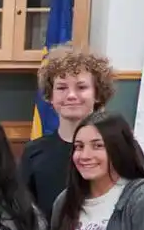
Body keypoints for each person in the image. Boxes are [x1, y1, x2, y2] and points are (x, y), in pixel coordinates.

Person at [20, 46, 115, 217]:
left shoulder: (117, 149)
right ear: (50, 96)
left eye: (81, 87)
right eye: (62, 88)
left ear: (98, 94)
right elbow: (25, 216)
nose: (71, 95)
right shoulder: (33, 153)